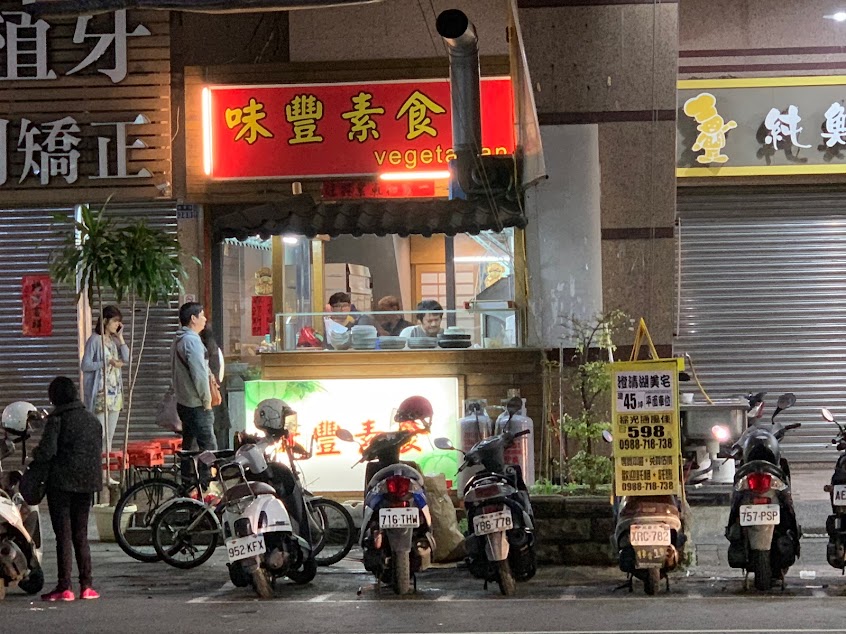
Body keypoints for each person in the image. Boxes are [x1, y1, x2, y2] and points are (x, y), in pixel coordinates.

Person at [33, 377, 102, 602]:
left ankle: (65, 587)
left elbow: (47, 452)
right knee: (81, 534)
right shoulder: (93, 420)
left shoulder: (58, 419)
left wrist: (35, 454)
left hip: (61, 483)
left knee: (63, 535)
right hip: (87, 484)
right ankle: (87, 585)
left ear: (55, 397)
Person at [81, 305, 129, 461]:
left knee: (109, 436)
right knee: (98, 434)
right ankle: (96, 469)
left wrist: (121, 338)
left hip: (115, 394)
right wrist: (105, 362)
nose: (117, 325)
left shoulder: (113, 341)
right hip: (101, 394)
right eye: (115, 321)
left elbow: (127, 359)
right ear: (105, 321)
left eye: (118, 322)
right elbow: (85, 365)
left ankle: (105, 471)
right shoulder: (95, 340)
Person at [172, 303, 217, 469]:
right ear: (193, 319)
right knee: (208, 449)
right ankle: (205, 487)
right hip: (197, 404)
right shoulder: (192, 342)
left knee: (188, 449)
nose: (205, 319)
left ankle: (187, 485)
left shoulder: (178, 339)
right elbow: (199, 375)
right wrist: (206, 401)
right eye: (202, 315)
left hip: (183, 403)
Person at [200, 323, 230, 450]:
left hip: (207, 400)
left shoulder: (203, 351)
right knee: (216, 438)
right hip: (216, 398)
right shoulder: (215, 350)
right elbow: (220, 376)